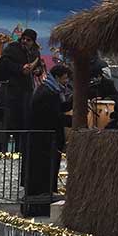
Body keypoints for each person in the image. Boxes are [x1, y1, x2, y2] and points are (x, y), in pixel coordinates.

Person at [23, 64, 73, 216]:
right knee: (43, 171)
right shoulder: (48, 92)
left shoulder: (49, 90)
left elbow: (58, 109)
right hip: (43, 140)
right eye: (65, 78)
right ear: (58, 77)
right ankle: (41, 200)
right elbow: (54, 116)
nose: (66, 81)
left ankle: (44, 195)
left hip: (44, 138)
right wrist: (72, 120)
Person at [0, 28, 42, 133]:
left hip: (27, 90)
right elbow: (3, 63)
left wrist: (37, 70)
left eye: (28, 40)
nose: (25, 41)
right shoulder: (12, 48)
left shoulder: (35, 52)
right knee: (10, 120)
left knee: (24, 120)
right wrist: (20, 68)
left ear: (33, 42)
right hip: (11, 90)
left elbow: (39, 66)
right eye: (23, 38)